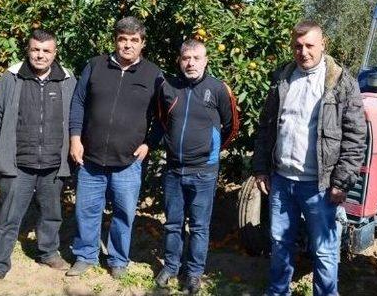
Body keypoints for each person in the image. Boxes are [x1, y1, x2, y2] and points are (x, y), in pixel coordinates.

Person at [252, 21, 366, 296]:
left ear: (323, 44)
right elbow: (266, 126)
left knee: (324, 249)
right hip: (282, 179)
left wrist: (341, 181)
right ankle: (278, 291)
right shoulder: (283, 77)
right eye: (298, 46)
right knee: (280, 242)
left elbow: (355, 136)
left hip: (320, 185)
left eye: (310, 45)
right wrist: (260, 168)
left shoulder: (341, 83)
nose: (303, 52)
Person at [0, 29, 76, 285]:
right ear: (28, 50)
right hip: (18, 164)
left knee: (51, 214)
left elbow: (76, 118)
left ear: (55, 53)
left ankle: (48, 252)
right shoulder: (12, 78)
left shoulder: (66, 80)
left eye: (46, 51)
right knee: (9, 217)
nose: (40, 55)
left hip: (53, 163)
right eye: (35, 49)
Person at [66, 16, 162, 279]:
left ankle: (118, 259)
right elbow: (78, 103)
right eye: (122, 39)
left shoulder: (153, 75)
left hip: (128, 162)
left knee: (124, 214)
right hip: (91, 158)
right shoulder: (95, 66)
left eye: (134, 40)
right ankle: (85, 255)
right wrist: (75, 137)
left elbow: (164, 116)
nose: (127, 45)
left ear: (142, 43)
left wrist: (149, 144)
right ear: (115, 41)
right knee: (86, 210)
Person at [153, 39, 239, 294]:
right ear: (179, 61)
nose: (190, 63)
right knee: (173, 223)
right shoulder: (168, 88)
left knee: (199, 226)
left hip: (204, 171)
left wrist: (211, 149)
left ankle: (193, 274)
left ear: (206, 60)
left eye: (196, 58)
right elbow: (161, 119)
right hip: (174, 170)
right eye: (186, 58)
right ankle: (170, 267)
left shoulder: (219, 89)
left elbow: (231, 125)